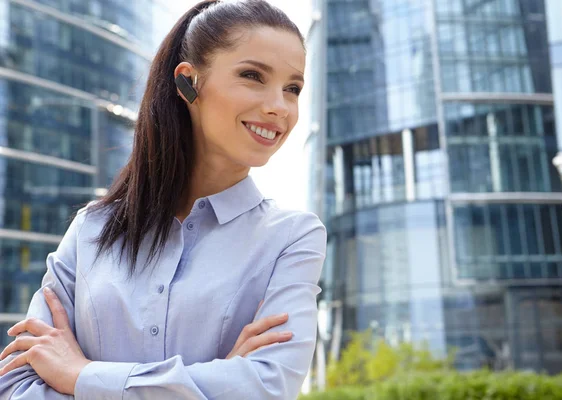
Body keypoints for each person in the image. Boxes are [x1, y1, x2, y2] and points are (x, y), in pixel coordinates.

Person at [0, 0, 326, 398]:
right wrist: (211, 380)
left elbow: (265, 387)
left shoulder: (292, 238)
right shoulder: (92, 228)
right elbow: (16, 383)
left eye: (292, 88)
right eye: (253, 76)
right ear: (188, 82)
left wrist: (82, 376)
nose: (279, 106)